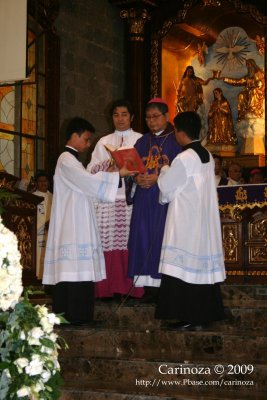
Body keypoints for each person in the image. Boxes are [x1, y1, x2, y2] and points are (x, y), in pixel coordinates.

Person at [42, 117, 135, 325]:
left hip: (78, 221)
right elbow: (88, 183)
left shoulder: (72, 160)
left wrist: (109, 175)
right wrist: (118, 174)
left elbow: (88, 186)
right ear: (74, 136)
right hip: (72, 226)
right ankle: (74, 317)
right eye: (86, 139)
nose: (88, 144)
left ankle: (79, 316)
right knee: (74, 271)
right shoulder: (66, 159)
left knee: (78, 271)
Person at [155, 111, 226, 330]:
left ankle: (188, 316)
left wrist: (164, 167)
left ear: (180, 132)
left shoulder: (184, 157)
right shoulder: (206, 154)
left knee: (184, 268)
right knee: (199, 269)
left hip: (186, 222)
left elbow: (166, 186)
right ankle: (202, 316)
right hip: (202, 221)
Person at [87, 99, 143, 299]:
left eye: (124, 114)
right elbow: (90, 170)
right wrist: (107, 166)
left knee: (130, 241)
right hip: (108, 200)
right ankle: (107, 288)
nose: (120, 119)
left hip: (132, 198)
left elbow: (147, 167)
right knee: (108, 241)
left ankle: (133, 288)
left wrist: (131, 169)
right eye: (116, 115)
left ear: (132, 117)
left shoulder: (141, 139)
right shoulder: (103, 142)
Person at [127, 98, 182, 302]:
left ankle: (163, 287)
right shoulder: (142, 141)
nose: (151, 121)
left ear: (166, 117)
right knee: (142, 238)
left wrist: (158, 178)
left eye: (155, 116)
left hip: (163, 201)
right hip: (143, 199)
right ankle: (148, 288)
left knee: (160, 238)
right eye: (148, 117)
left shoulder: (176, 140)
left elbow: (180, 171)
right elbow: (131, 166)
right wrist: (136, 177)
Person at [33, 172, 53, 280]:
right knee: (38, 256)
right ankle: (38, 280)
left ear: (48, 183)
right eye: (40, 181)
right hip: (37, 234)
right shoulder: (32, 197)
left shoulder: (54, 197)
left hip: (51, 233)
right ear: (36, 184)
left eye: (45, 181)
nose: (43, 183)